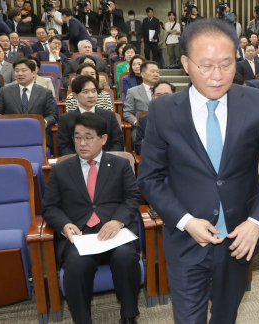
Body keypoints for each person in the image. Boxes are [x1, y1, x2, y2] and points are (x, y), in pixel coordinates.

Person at [137, 18, 259, 323]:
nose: (217, 76)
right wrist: (186, 221)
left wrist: (256, 221)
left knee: (225, 316)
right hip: (186, 238)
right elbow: (149, 178)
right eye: (206, 65)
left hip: (238, 238)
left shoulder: (256, 102)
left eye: (227, 64)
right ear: (185, 63)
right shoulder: (163, 110)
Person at [43, 111, 139, 324]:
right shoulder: (60, 169)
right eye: (77, 137)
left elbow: (132, 198)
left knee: (126, 258)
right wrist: (65, 224)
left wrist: (118, 221)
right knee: (77, 266)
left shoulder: (120, 165)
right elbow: (49, 207)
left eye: (88, 137)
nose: (82, 143)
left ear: (103, 139)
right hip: (79, 236)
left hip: (113, 233)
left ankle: (129, 316)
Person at [0, 58, 56, 147]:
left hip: (37, 132)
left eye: (24, 71)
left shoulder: (45, 92)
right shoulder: (5, 91)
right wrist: (3, 121)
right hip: (11, 133)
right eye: (17, 71)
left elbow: (52, 116)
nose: (20, 74)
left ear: (33, 73)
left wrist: (41, 123)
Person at [57, 75, 123, 156]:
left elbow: (118, 143)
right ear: (75, 95)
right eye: (85, 91)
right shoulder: (65, 119)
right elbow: (63, 147)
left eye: (94, 91)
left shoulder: (109, 116)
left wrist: (104, 160)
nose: (91, 95)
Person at [133, 80, 175, 155]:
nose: (162, 98)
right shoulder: (144, 120)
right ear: (153, 97)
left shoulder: (183, 118)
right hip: (154, 161)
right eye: (158, 95)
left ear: (174, 96)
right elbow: (138, 147)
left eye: (166, 94)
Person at [123, 60, 159, 140]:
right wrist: (137, 122)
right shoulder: (132, 91)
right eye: (152, 72)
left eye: (157, 72)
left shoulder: (164, 90)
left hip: (162, 128)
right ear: (143, 74)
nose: (156, 74)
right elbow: (127, 113)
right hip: (142, 129)